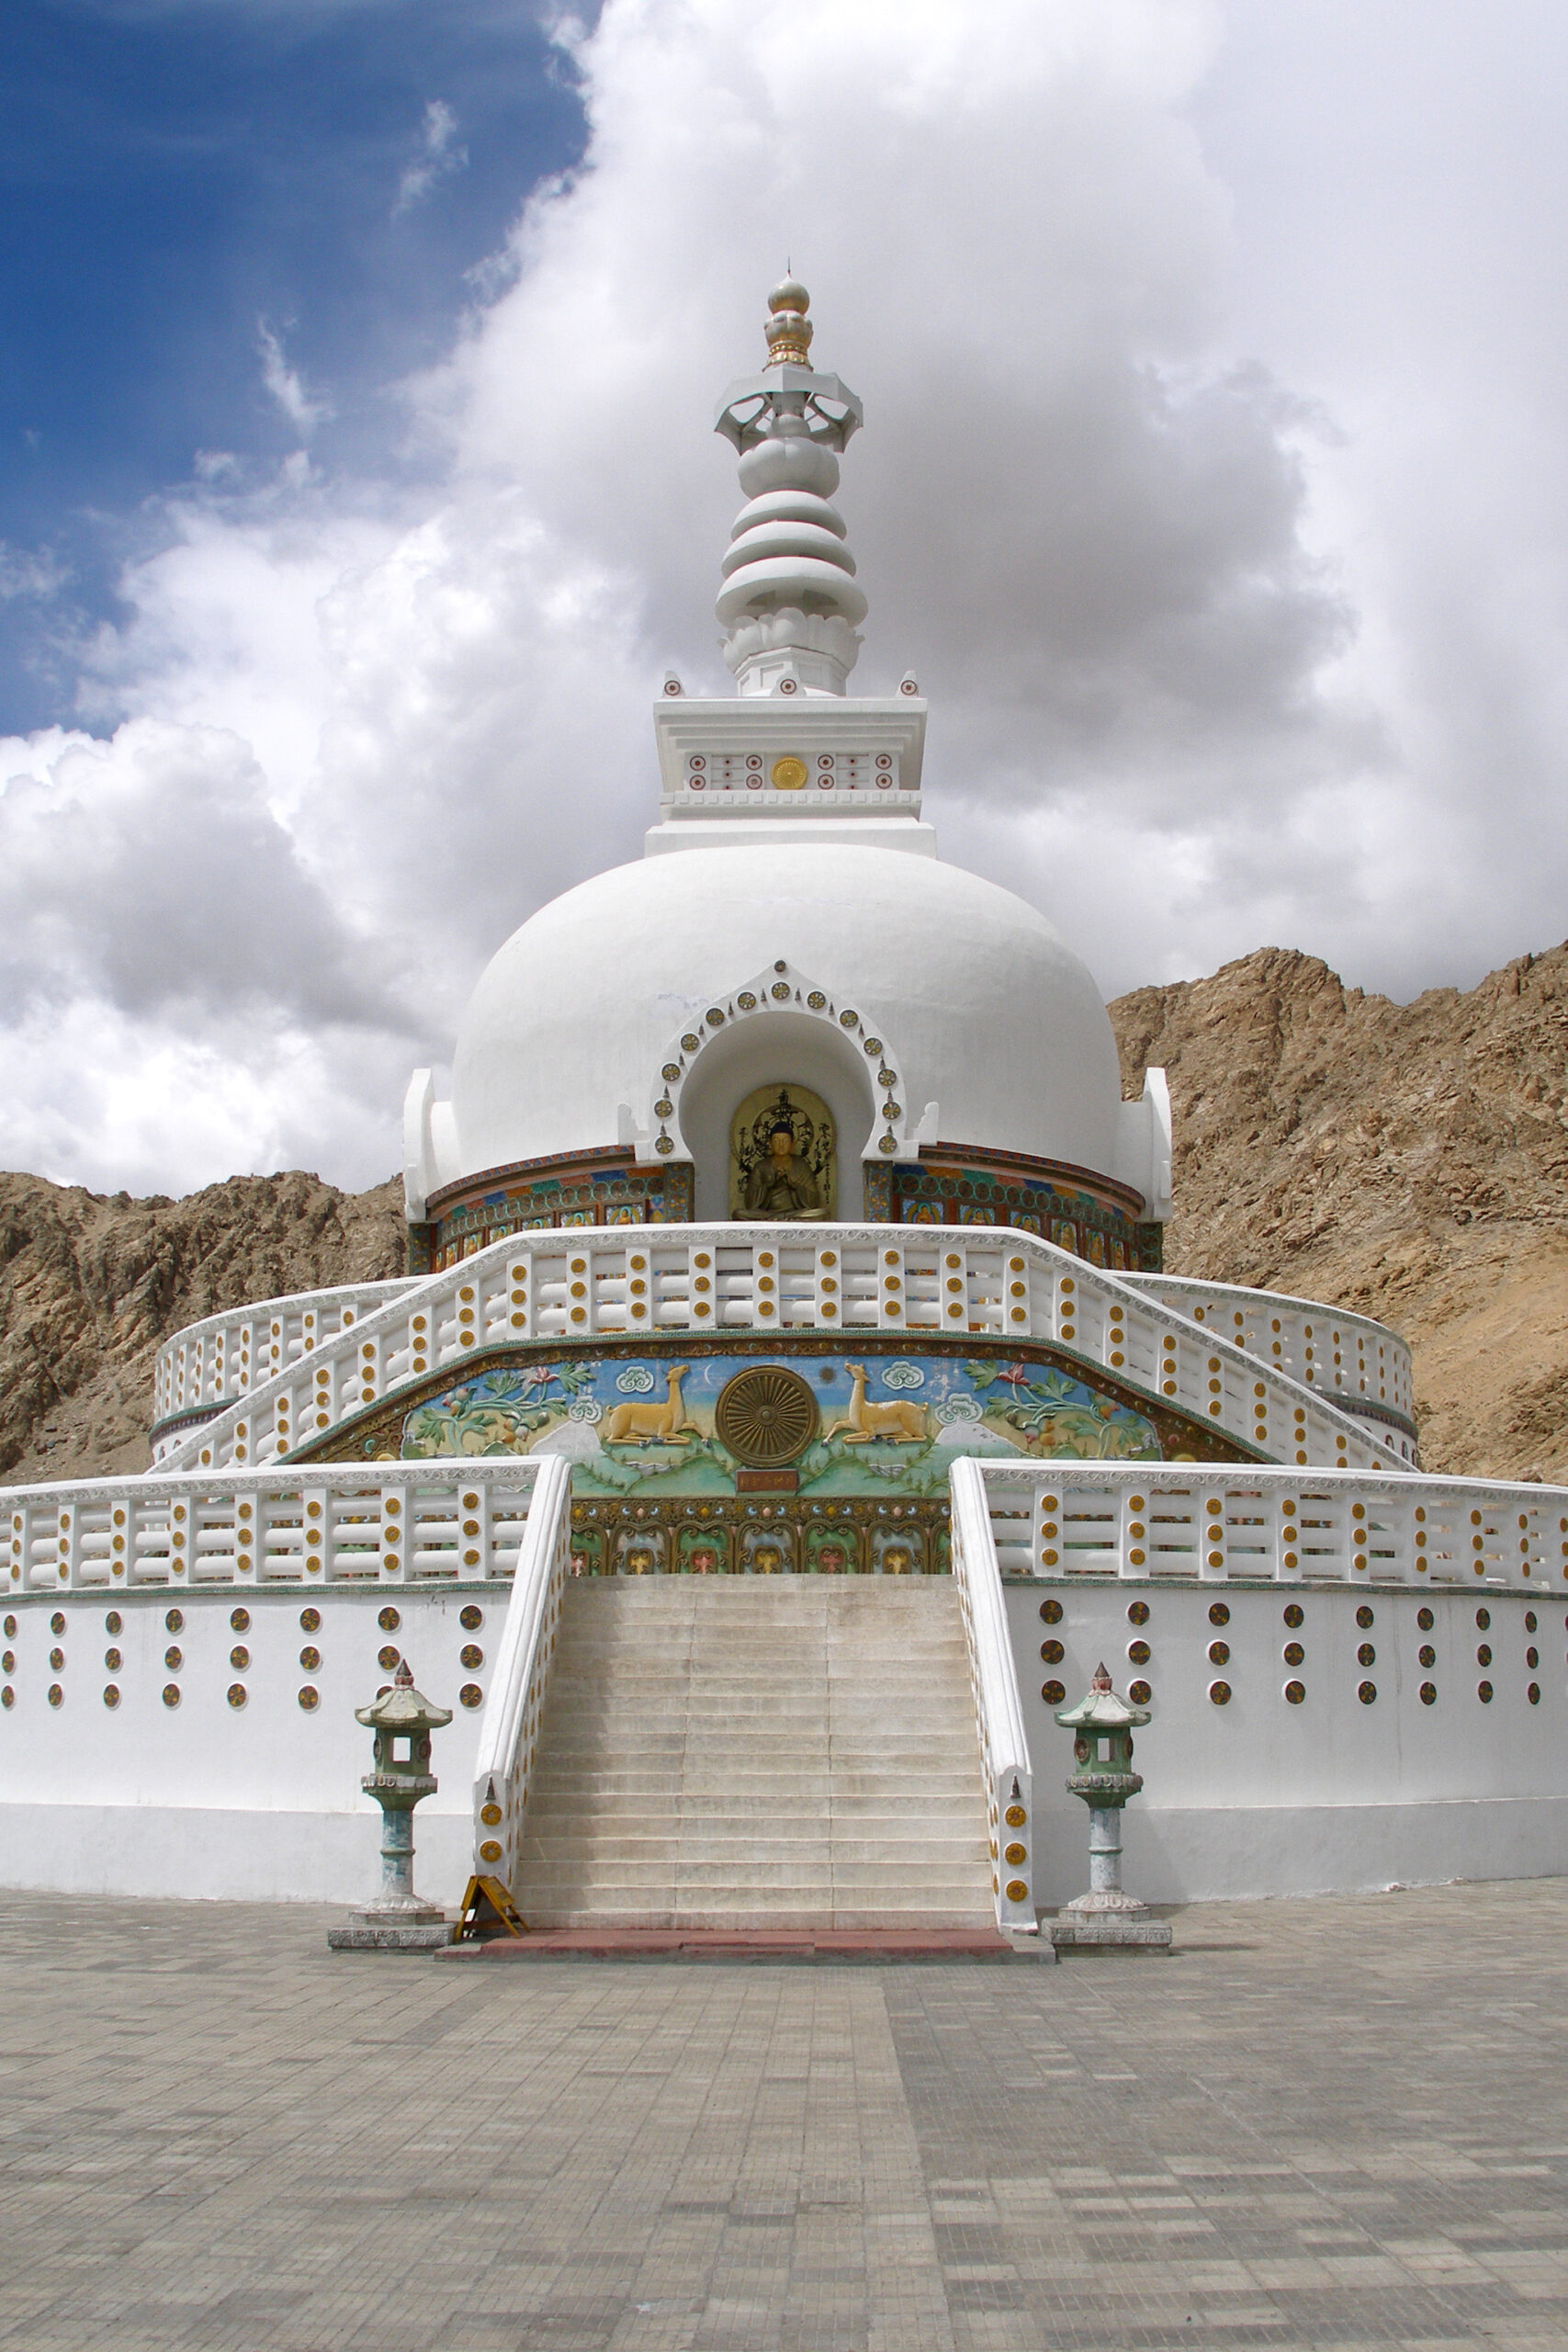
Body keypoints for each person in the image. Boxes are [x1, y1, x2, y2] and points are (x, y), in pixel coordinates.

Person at [741, 1121, 827, 1219]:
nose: (781, 1145)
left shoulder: (802, 1166)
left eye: (785, 1140)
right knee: (739, 1213)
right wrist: (768, 1185)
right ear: (770, 1144)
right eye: (776, 1141)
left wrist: (794, 1185)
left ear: (792, 1144)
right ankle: (780, 1220)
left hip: (795, 1214)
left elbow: (813, 1201)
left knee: (822, 1213)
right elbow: (749, 1202)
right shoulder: (761, 1166)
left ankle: (787, 1219)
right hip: (767, 1214)